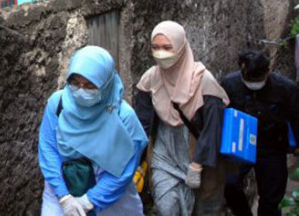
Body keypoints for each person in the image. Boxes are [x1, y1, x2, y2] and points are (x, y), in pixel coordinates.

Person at [38, 46, 148, 215]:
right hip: (62, 188)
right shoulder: (58, 104)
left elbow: (125, 169)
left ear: (106, 84)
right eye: (75, 83)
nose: (81, 90)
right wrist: (64, 197)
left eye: (90, 86)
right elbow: (48, 149)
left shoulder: (123, 117)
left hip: (111, 197)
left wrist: (90, 201)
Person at [134, 21, 229, 216]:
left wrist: (197, 164)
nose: (161, 53)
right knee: (166, 207)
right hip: (164, 152)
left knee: (204, 208)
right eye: (156, 47)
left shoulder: (204, 81)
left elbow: (213, 128)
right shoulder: (150, 79)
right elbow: (141, 124)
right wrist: (135, 160)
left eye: (167, 47)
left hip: (197, 153)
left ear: (181, 47)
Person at [222, 50, 299, 216]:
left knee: (271, 198)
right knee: (229, 184)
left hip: (272, 146)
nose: (253, 83)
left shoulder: (286, 88)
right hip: (241, 145)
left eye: (257, 79)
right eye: (249, 78)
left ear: (268, 72)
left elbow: (296, 117)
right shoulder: (230, 84)